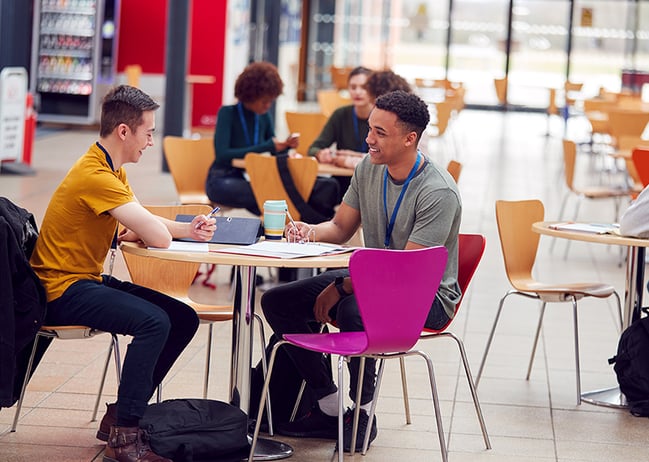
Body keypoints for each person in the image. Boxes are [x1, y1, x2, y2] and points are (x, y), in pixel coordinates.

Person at [261, 90, 462, 452]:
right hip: (372, 282)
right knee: (278, 301)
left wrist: (342, 285)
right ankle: (329, 403)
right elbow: (339, 229)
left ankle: (363, 414)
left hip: (426, 295)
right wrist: (308, 231)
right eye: (370, 128)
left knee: (356, 309)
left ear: (409, 138)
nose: (368, 139)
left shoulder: (437, 191)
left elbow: (407, 272)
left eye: (380, 133)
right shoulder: (369, 169)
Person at [29, 85, 216, 462]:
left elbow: (143, 223)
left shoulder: (109, 168)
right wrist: (165, 231)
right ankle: (125, 436)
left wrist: (188, 229)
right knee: (154, 323)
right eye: (148, 132)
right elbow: (156, 236)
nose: (151, 141)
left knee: (182, 317)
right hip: (59, 290)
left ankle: (119, 414)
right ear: (124, 132)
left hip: (83, 279)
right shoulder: (95, 175)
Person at [205, 61, 300, 215]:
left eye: (271, 101)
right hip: (222, 178)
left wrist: (286, 146)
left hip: (254, 177)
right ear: (250, 96)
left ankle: (278, 227)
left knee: (272, 192)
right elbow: (222, 155)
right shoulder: (228, 113)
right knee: (268, 194)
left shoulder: (264, 117)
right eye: (264, 101)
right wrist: (267, 146)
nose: (268, 105)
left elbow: (274, 152)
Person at [312, 69, 412, 174]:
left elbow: (388, 161)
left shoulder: (387, 119)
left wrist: (347, 159)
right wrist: (320, 154)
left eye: (364, 87)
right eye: (353, 87)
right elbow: (315, 147)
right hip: (344, 179)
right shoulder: (340, 114)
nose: (358, 92)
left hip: (372, 178)